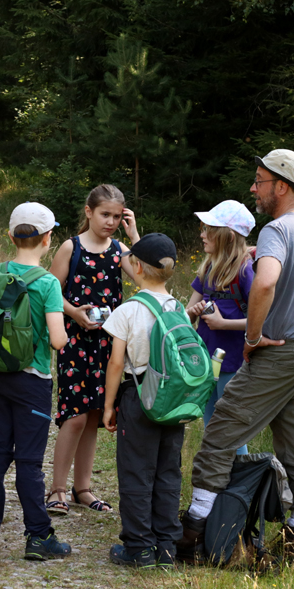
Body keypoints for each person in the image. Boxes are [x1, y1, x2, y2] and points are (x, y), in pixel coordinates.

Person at [177, 149, 294, 563]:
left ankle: (193, 536)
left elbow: (264, 284)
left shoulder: (279, 229)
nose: (254, 188)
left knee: (223, 429)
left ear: (283, 186)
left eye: (259, 180)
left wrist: (253, 337)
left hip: (279, 352)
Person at [0, 203, 72, 561]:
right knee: (29, 462)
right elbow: (59, 341)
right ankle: (39, 537)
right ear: (48, 239)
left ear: (12, 236)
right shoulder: (47, 283)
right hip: (33, 382)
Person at [46, 184, 140, 516]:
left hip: (107, 343)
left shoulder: (120, 250)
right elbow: (50, 291)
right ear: (89, 212)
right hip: (74, 340)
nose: (111, 222)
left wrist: (135, 234)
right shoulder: (70, 248)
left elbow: (148, 279)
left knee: (95, 416)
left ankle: (81, 488)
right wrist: (74, 313)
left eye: (117, 216)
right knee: (74, 416)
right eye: (105, 215)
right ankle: (56, 488)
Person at [101, 233, 185, 569]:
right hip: (174, 403)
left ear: (136, 266)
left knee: (137, 473)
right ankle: (166, 549)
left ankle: (139, 548)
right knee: (168, 473)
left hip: (139, 398)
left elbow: (117, 364)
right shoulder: (176, 306)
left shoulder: (129, 310)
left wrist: (109, 406)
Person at [184, 200, 257, 457]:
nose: (202, 234)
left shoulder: (246, 271)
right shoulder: (207, 269)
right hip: (208, 358)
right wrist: (191, 314)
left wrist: (224, 324)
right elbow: (186, 314)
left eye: (208, 229)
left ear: (226, 236)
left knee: (229, 421)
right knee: (210, 415)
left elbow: (264, 320)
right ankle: (217, 473)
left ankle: (240, 474)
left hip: (234, 360)